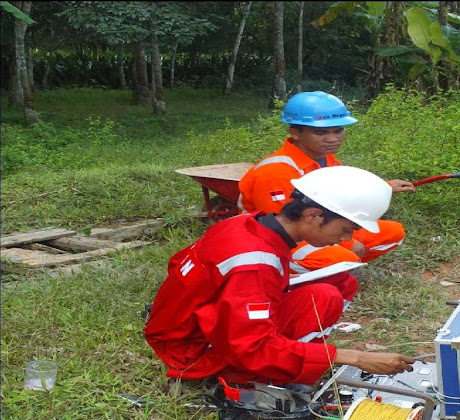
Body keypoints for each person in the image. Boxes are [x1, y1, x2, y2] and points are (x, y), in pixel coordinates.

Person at [144, 165, 416, 390]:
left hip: (190, 325)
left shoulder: (249, 222)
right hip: (193, 352)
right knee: (325, 297)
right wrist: (354, 357)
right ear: (312, 215)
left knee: (341, 282)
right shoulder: (255, 264)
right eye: (346, 229)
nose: (347, 239)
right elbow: (252, 347)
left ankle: (296, 357)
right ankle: (258, 380)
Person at [237, 90, 415, 274]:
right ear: (295, 133)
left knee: (392, 233)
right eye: (321, 133)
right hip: (282, 238)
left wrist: (384, 187)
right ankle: (295, 271)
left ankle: (335, 266)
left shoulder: (326, 158)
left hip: (320, 226)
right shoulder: (275, 171)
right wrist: (349, 243)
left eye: (338, 130)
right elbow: (284, 225)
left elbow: (343, 189)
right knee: (343, 259)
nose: (333, 139)